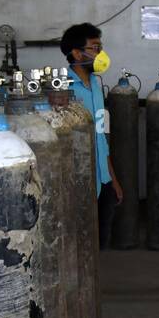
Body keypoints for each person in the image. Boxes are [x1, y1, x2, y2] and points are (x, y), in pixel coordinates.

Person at [61, 22, 123, 249]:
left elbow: (101, 136)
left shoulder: (96, 84)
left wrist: (112, 179)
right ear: (76, 53)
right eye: (95, 48)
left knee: (99, 242)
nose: (101, 54)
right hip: (79, 181)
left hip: (102, 179)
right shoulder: (63, 89)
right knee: (79, 243)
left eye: (101, 47)